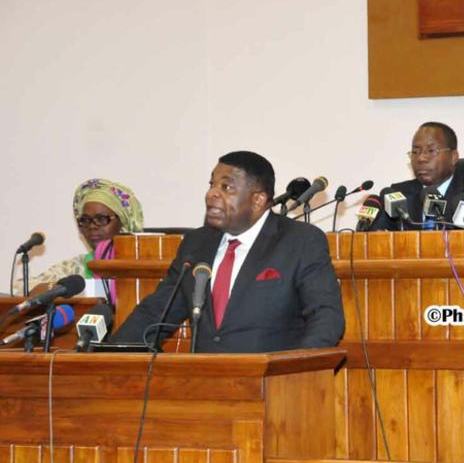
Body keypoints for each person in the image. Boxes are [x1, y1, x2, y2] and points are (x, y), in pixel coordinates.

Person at [111, 151, 345, 353]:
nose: (212, 194)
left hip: (274, 392)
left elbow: (326, 318)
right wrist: (110, 357)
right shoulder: (196, 244)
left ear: (257, 200)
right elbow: (156, 314)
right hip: (206, 390)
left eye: (226, 187)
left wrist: (296, 372)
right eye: (211, 184)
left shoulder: (299, 241)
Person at [14, 178, 144, 302]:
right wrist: (57, 290)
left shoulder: (143, 266)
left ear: (123, 223)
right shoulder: (77, 266)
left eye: (101, 219)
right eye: (85, 220)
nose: (92, 226)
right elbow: (21, 289)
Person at [368, 122, 464, 230]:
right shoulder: (398, 195)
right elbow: (376, 237)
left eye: (431, 151)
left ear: (454, 157)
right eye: (415, 152)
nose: (421, 158)